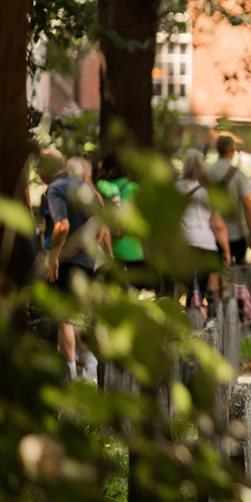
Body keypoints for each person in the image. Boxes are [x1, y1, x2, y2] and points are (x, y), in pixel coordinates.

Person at [37, 148, 104, 376]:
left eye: (38, 167)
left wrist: (54, 256)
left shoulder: (55, 188)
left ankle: (70, 374)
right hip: (88, 260)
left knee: (64, 317)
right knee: (83, 315)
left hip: (66, 262)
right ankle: (93, 366)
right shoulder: (83, 185)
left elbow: (61, 225)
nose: (37, 171)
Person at [175, 150, 231, 314]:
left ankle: (189, 321)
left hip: (183, 245)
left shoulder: (173, 189)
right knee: (205, 290)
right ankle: (207, 323)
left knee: (188, 290)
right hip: (205, 245)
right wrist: (226, 250)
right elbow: (218, 225)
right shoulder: (206, 193)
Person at [209, 133, 251, 281]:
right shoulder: (238, 175)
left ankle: (214, 300)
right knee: (237, 274)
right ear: (232, 150)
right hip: (235, 233)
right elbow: (248, 205)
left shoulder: (206, 171)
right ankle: (234, 300)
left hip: (211, 233)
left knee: (214, 273)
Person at [95, 152, 147, 285]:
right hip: (134, 252)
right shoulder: (136, 188)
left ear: (110, 170)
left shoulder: (101, 186)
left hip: (109, 252)